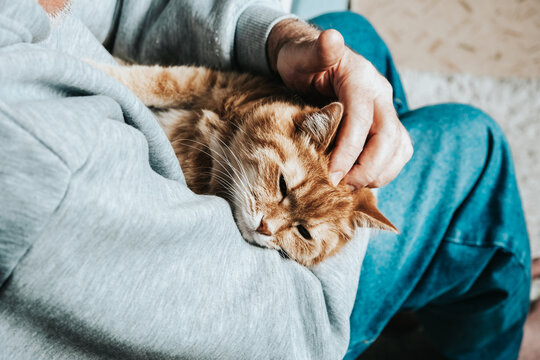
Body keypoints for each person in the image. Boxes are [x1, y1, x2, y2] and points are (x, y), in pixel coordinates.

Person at [0, 0, 530, 359]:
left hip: (237, 159)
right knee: (472, 148)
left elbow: (110, 9)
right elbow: (289, 335)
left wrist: (279, 41)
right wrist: (340, 216)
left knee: (357, 42)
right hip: (253, 314)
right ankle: (490, 339)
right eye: (279, 194)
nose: (269, 225)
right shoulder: (36, 154)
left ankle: (424, 293)